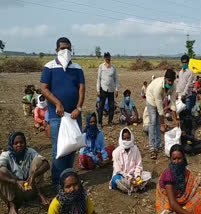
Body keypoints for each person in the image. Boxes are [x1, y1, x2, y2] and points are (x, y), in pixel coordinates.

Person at [40, 37, 85, 187]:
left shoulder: (77, 68)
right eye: (62, 48)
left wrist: (78, 108)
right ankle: (57, 183)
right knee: (58, 150)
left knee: (72, 147)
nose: (65, 51)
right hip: (57, 116)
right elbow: (44, 88)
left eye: (68, 48)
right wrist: (57, 103)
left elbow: (81, 89)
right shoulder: (49, 67)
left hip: (74, 115)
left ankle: (68, 180)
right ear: (57, 50)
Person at [0, 132, 50, 214]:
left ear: (25, 143)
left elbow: (46, 164)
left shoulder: (30, 152)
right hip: (15, 192)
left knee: (38, 161)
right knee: (2, 171)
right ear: (11, 145)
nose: (19, 145)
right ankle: (12, 205)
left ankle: (40, 194)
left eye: (21, 142)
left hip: (30, 187)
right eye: (16, 143)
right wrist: (15, 182)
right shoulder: (6, 155)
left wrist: (34, 175)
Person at [156, 144, 201, 214]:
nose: (176, 161)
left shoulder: (184, 171)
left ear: (183, 158)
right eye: (174, 159)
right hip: (168, 204)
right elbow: (172, 203)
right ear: (170, 159)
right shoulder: (168, 175)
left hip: (180, 201)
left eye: (179, 158)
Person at [146, 69, 179, 159]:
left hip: (160, 98)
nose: (170, 83)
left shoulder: (173, 85)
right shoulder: (158, 87)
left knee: (158, 124)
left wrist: (176, 120)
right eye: (169, 81)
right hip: (151, 98)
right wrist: (163, 124)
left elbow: (173, 103)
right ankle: (152, 147)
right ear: (165, 79)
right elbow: (160, 110)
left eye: (172, 81)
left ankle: (159, 144)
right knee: (153, 122)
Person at [110, 128, 151, 194]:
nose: (126, 140)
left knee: (148, 175)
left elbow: (139, 165)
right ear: (121, 139)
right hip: (122, 176)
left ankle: (131, 187)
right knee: (116, 180)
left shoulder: (135, 149)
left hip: (133, 175)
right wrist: (130, 180)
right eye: (124, 138)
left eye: (128, 138)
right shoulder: (116, 152)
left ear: (131, 138)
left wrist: (137, 176)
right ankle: (134, 187)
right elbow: (118, 170)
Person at [96, 52, 119, 127]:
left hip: (111, 90)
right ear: (104, 58)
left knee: (111, 106)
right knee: (101, 106)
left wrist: (116, 89)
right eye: (106, 58)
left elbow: (116, 79)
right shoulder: (101, 67)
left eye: (109, 58)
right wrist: (98, 90)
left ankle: (110, 121)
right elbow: (98, 79)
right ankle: (100, 122)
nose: (108, 60)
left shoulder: (113, 68)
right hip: (103, 89)